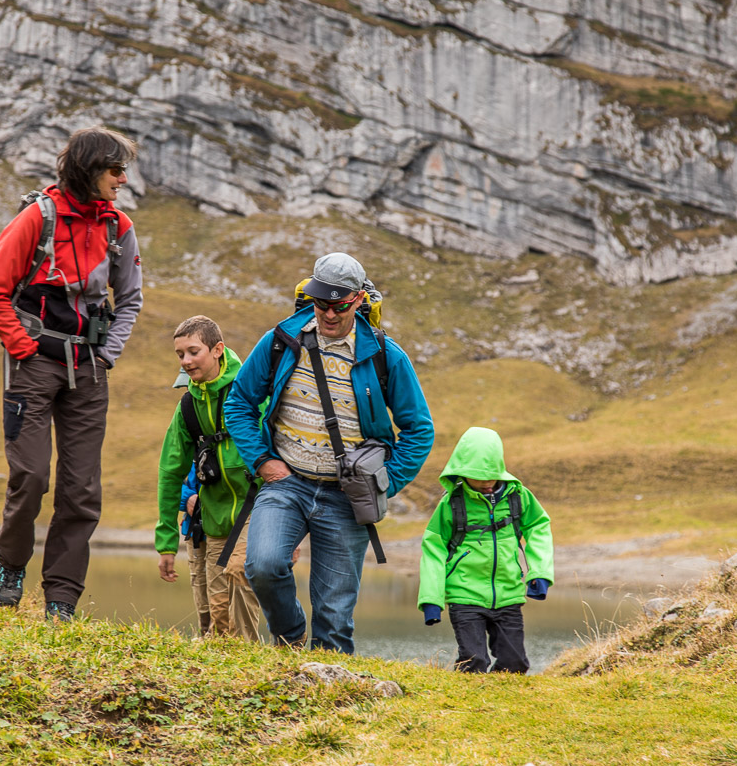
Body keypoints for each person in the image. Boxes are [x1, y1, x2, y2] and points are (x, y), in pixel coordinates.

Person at [225, 252, 434, 654]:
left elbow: (419, 429)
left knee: (335, 622)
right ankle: (290, 637)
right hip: (286, 483)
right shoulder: (280, 341)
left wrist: (383, 484)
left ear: (359, 300)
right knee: (262, 566)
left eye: (340, 306)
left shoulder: (386, 355)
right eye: (322, 304)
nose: (330, 314)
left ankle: (330, 685)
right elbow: (239, 403)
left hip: (347, 496)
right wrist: (263, 461)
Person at [0, 126, 143, 622]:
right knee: (30, 477)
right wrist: (24, 347)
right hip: (33, 367)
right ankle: (11, 567)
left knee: (82, 490)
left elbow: (130, 299)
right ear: (89, 169)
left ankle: (61, 601)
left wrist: (106, 355)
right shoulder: (37, 218)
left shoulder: (119, 227)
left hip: (89, 371)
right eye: (116, 169)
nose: (123, 179)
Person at [155, 316, 261, 641]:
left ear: (217, 350)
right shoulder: (188, 405)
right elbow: (170, 472)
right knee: (218, 613)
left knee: (240, 571)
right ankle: (228, 658)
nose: (185, 361)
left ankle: (249, 658)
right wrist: (166, 542)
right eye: (180, 354)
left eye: (193, 352)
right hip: (213, 516)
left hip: (257, 505)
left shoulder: (252, 390)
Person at [417, 426, 554, 673]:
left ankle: (498, 697)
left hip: (508, 594)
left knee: (515, 665)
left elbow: (538, 527)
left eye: (491, 477)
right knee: (474, 662)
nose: (487, 484)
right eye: (478, 478)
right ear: (462, 471)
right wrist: (431, 599)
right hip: (464, 596)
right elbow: (433, 549)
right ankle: (469, 695)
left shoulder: (518, 496)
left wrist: (540, 573)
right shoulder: (451, 503)